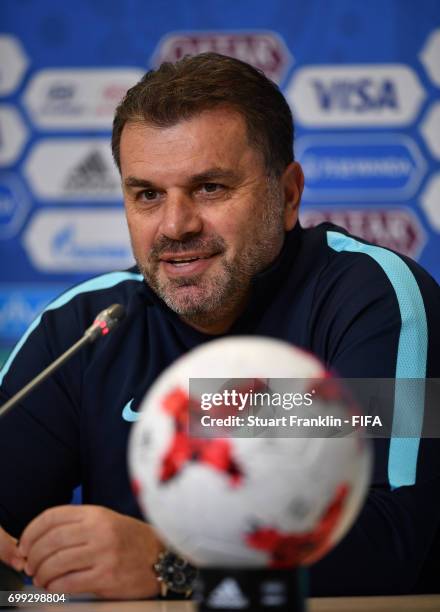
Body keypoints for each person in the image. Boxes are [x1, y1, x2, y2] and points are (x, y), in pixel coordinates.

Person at [0, 52, 439, 599]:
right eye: (147, 195)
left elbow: (395, 541)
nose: (175, 226)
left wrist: (171, 566)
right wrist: (32, 591)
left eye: (210, 188)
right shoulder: (84, 327)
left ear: (288, 194)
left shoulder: (371, 300)